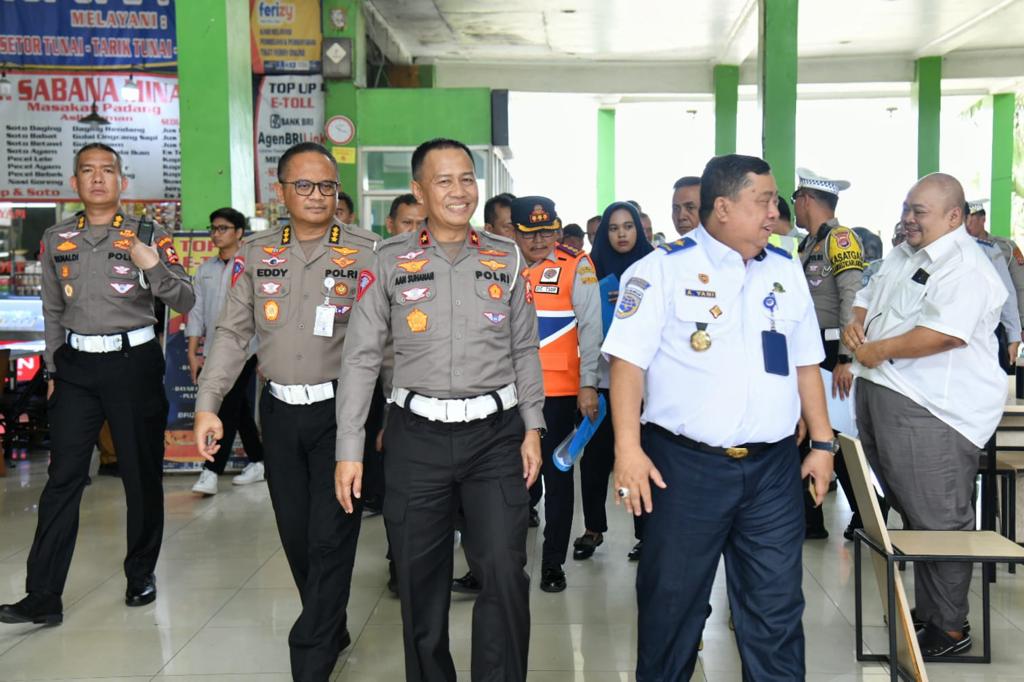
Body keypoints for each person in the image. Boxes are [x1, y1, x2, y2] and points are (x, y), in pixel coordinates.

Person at [606, 153, 833, 681]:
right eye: (764, 201)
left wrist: (822, 443)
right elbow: (627, 365)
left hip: (772, 469)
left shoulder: (785, 269)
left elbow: (806, 364)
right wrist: (627, 450)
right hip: (685, 469)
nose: (775, 212)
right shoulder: (661, 269)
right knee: (672, 607)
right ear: (724, 207)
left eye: (775, 202)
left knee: (776, 610)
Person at [334, 138, 545, 682]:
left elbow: (525, 348)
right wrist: (349, 449)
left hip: (495, 435)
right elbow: (360, 357)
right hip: (417, 437)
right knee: (419, 580)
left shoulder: (505, 256)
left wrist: (533, 426)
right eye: (444, 180)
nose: (459, 191)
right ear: (419, 190)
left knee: (504, 571)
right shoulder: (386, 259)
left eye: (467, 178)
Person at [194, 142, 379, 682]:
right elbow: (233, 333)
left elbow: (387, 342)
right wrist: (208, 403)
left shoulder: (368, 252)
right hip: (278, 412)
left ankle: (311, 655)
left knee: (330, 535)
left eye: (327, 186)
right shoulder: (256, 253)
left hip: (343, 414)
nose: (317, 195)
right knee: (296, 535)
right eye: (304, 185)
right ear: (281, 192)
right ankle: (330, 621)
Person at [0, 143, 195, 625]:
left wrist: (151, 264)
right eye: (88, 171)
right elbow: (52, 310)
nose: (98, 178)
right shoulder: (56, 237)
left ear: (122, 182)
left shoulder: (148, 234)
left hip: (133, 364)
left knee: (139, 475)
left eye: (108, 170)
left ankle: (140, 573)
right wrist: (53, 369)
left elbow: (185, 298)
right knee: (63, 478)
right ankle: (43, 595)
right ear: (75, 183)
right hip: (76, 369)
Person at [844, 173, 1006, 658]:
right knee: (914, 512)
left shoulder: (965, 267)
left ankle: (951, 629)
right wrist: (856, 324)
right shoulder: (905, 253)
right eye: (906, 208)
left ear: (954, 216)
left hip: (932, 410)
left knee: (939, 518)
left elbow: (945, 334)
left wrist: (877, 350)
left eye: (920, 211)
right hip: (888, 393)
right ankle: (931, 613)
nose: (908, 218)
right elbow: (868, 295)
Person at [512, 196, 602, 592]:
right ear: (514, 232)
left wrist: (588, 383)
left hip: (559, 394)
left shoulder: (575, 265)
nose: (539, 240)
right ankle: (499, 564)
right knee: (507, 481)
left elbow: (591, 328)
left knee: (558, 478)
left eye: (546, 232)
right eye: (529, 233)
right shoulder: (500, 265)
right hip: (509, 392)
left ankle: (552, 563)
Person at [574, 200, 653, 562]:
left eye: (628, 226)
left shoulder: (654, 267)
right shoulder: (589, 270)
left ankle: (646, 533)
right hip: (602, 383)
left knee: (639, 458)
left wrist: (635, 303)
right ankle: (593, 528)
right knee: (594, 461)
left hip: (643, 387)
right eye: (614, 228)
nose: (622, 234)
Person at [793, 167, 865, 541]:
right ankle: (810, 519)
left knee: (836, 435)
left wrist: (845, 359)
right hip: (811, 347)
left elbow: (852, 297)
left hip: (831, 350)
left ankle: (866, 513)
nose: (794, 207)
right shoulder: (809, 244)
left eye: (795, 199)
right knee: (809, 432)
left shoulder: (840, 239)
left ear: (807, 200)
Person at [187, 207, 265, 495]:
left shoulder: (250, 267)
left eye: (223, 228)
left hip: (246, 349)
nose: (216, 234)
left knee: (228, 404)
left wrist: (265, 355)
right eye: (213, 228)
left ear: (239, 232)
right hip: (213, 348)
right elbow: (196, 313)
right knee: (238, 406)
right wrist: (193, 351)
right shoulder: (205, 270)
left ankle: (210, 471)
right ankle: (258, 460)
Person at [966, 199, 1024, 354]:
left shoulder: (1006, 247)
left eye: (972, 219)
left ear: (983, 219)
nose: (967, 224)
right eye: (965, 219)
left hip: (1001, 322)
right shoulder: (960, 247)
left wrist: (1020, 326)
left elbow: (1019, 286)